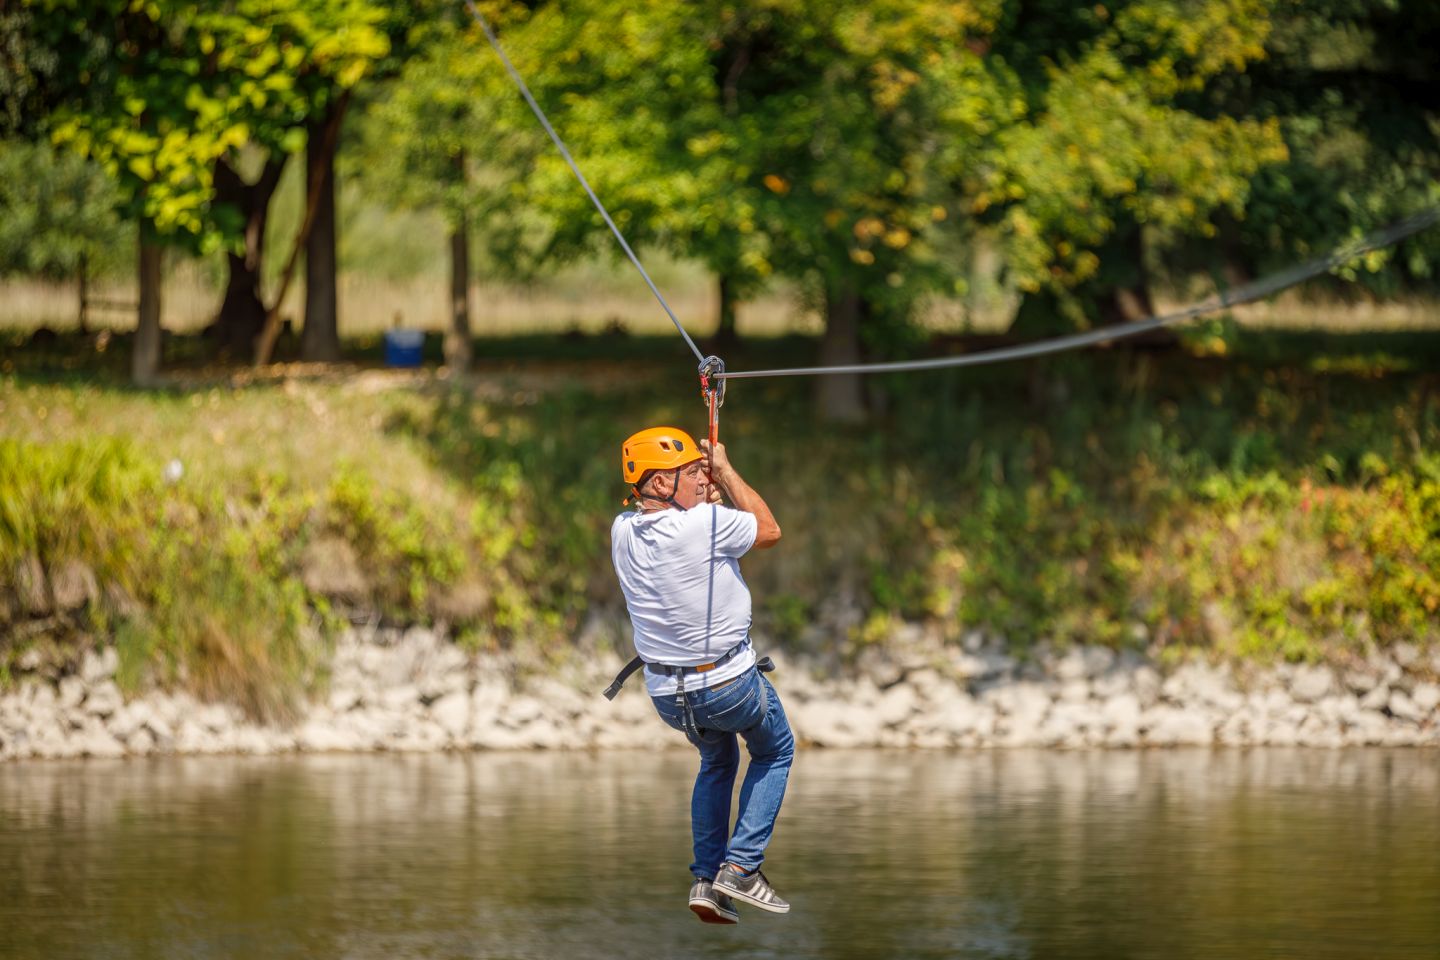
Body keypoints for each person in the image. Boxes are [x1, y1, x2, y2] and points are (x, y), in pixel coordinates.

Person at [609, 426, 795, 924]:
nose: (703, 477)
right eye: (693, 472)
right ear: (663, 485)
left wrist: (700, 495)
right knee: (776, 749)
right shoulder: (706, 523)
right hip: (728, 686)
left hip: (669, 696)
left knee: (717, 762)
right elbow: (769, 531)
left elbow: (687, 526)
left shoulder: (622, 529)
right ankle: (740, 869)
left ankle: (706, 880)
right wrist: (727, 471)